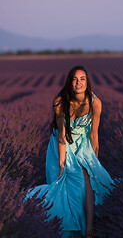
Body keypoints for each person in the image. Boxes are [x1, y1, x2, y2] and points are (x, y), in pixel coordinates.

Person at [25, 65, 115, 238]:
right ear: (69, 82)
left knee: (88, 176)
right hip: (62, 143)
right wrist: (61, 162)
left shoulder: (95, 102)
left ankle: (89, 229)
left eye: (82, 79)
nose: (78, 82)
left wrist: (94, 160)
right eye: (75, 79)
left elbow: (94, 134)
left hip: (83, 143)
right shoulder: (60, 102)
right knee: (68, 180)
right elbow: (61, 135)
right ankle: (68, 224)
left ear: (87, 83)